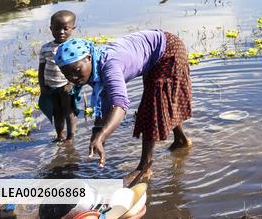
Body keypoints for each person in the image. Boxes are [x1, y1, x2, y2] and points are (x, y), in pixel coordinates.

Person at [55, 30, 192, 185]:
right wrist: (97, 132)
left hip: (168, 50)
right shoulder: (91, 68)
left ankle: (145, 167)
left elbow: (119, 104)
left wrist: (102, 135)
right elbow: (104, 100)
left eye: (77, 71)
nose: (74, 77)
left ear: (88, 58)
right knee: (160, 101)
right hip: (155, 52)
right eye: (68, 75)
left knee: (152, 107)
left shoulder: (110, 65)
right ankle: (181, 140)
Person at [38, 11, 82, 142]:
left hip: (66, 86)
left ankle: (70, 137)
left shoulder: (74, 47)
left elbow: (78, 69)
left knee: (68, 111)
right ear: (51, 28)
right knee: (56, 112)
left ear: (73, 29)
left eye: (66, 29)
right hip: (51, 86)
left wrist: (71, 83)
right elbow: (41, 69)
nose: (61, 32)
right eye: (57, 28)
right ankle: (60, 135)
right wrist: (42, 86)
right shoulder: (46, 48)